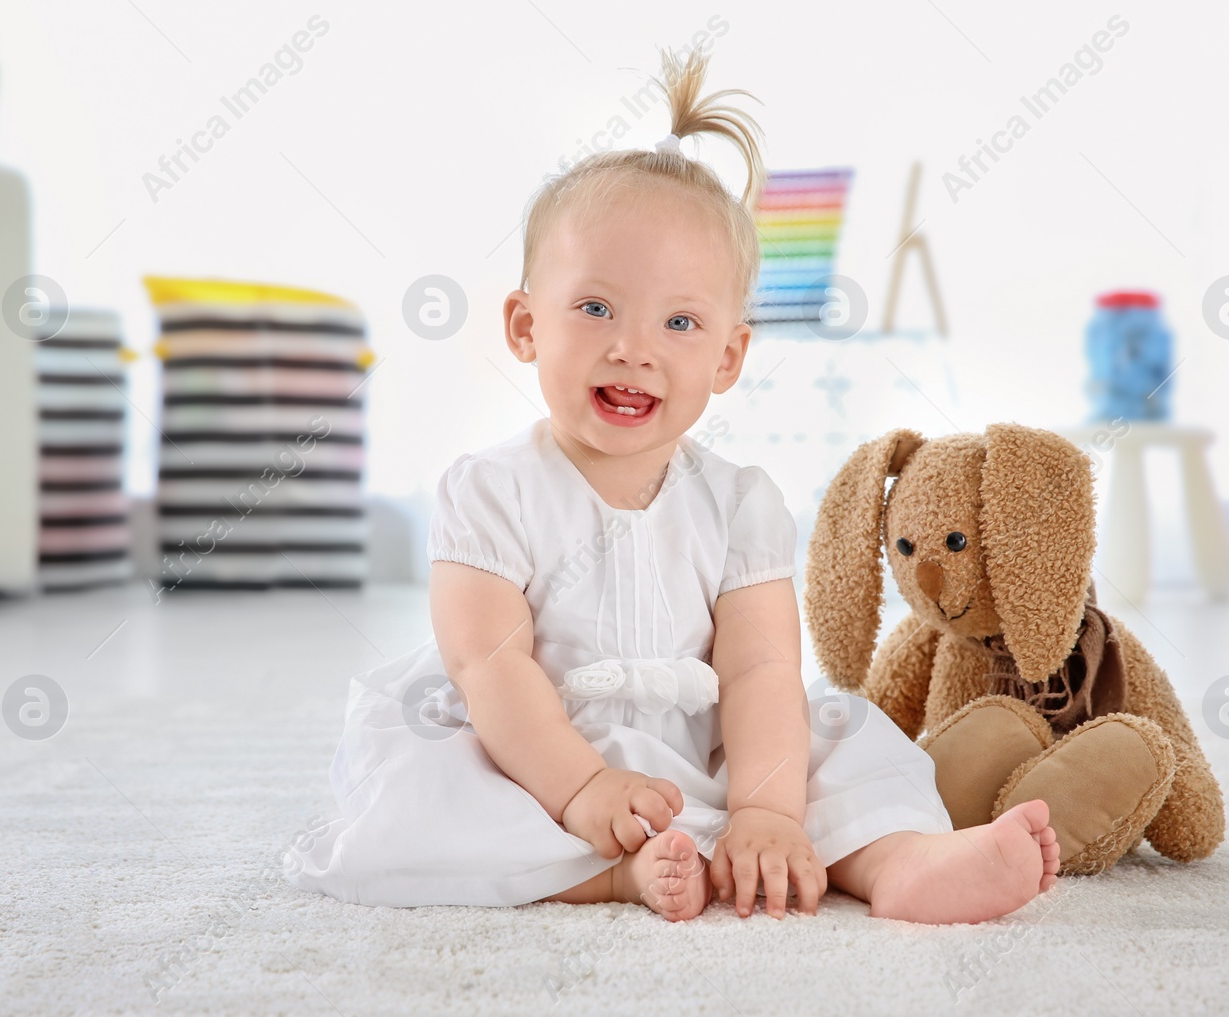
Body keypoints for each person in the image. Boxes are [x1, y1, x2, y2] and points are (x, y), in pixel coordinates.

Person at [286, 47, 1059, 923]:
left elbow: (762, 665)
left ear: (728, 356)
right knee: (426, 787)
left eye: (680, 321)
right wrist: (583, 788)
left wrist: (767, 810)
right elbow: (488, 666)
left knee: (834, 738)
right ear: (524, 323)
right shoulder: (490, 491)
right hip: (534, 745)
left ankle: (900, 862)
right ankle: (607, 872)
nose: (634, 348)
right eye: (595, 308)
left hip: (708, 741)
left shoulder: (738, 503)